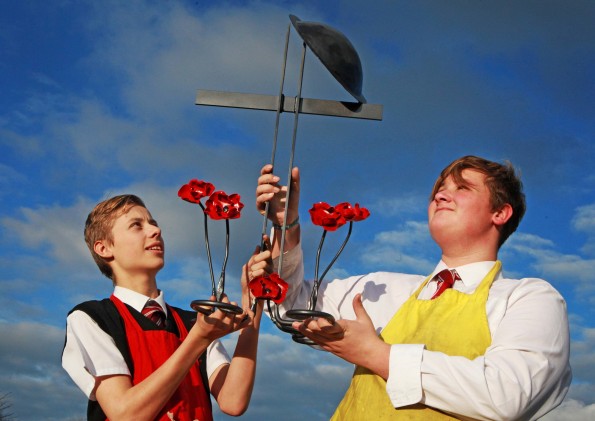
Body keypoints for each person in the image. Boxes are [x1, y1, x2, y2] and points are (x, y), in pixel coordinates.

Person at [250, 156, 572, 420]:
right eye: (439, 189)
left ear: (500, 213)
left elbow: (507, 396)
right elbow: (289, 305)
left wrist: (377, 354)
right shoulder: (384, 289)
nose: (440, 196)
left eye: (462, 188)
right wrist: (286, 226)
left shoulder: (529, 298)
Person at [62, 194, 263, 421]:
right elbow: (124, 414)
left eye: (154, 223)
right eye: (136, 225)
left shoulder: (193, 322)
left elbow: (233, 401)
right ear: (104, 248)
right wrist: (197, 340)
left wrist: (254, 299)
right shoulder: (91, 318)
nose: (155, 231)